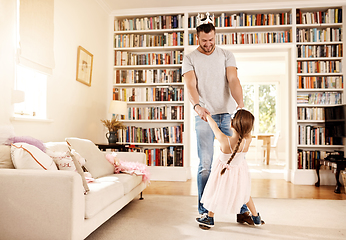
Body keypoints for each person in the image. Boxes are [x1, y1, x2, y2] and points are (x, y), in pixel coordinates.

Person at [182, 12, 254, 225]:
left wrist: (240, 103)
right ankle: (205, 211)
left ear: (215, 36)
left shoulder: (226, 55)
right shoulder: (190, 58)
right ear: (197, 38)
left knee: (236, 163)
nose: (208, 44)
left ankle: (241, 210)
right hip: (205, 116)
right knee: (206, 164)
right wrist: (197, 106)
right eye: (204, 41)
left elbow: (233, 79)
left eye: (211, 39)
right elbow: (190, 85)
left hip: (228, 115)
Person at [196, 109, 264, 227]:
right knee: (245, 194)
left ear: (232, 123)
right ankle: (256, 217)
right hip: (239, 172)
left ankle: (210, 218)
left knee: (216, 193)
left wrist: (208, 116)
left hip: (223, 174)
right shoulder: (248, 140)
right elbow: (245, 132)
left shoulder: (224, 139)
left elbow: (214, 127)